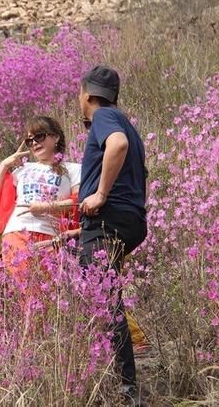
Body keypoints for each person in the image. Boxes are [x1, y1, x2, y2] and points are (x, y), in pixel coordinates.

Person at [77, 65, 148, 405]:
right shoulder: (128, 124)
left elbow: (115, 146)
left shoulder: (105, 118)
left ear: (86, 95)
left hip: (107, 220)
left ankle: (126, 389)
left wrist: (100, 194)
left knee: (106, 301)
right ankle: (116, 377)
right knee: (105, 295)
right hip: (129, 220)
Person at [0, 116, 81, 290]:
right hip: (17, 233)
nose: (34, 144)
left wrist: (45, 207)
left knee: (48, 295)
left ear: (55, 137)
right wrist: (4, 166)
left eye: (39, 137)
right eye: (29, 140)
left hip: (52, 236)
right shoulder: (23, 169)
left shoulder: (74, 169)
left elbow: (77, 201)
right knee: (26, 292)